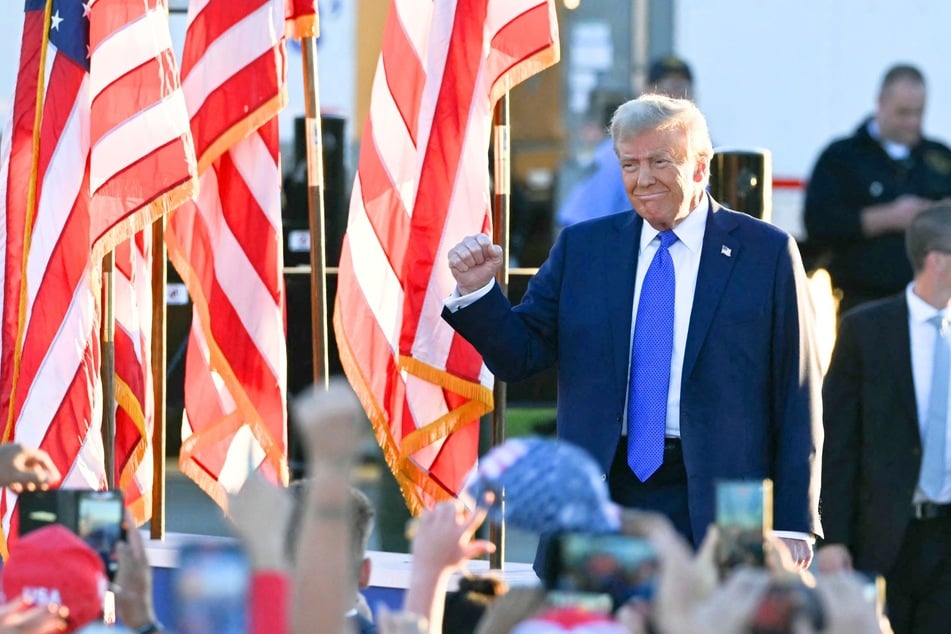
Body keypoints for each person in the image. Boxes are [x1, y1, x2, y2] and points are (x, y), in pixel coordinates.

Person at [442, 94, 823, 571]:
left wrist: (792, 523)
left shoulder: (764, 253)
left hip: (722, 502)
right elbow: (520, 356)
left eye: (660, 162)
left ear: (700, 166)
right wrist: (479, 293)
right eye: (629, 164)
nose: (642, 180)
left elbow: (798, 393)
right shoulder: (584, 248)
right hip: (601, 493)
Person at [817, 202, 951, 634]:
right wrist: (833, 537)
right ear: (938, 261)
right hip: (883, 538)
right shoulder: (866, 331)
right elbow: (837, 442)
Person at [803, 63, 951, 314]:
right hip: (862, 301)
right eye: (903, 113)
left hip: (931, 303)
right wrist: (888, 217)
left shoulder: (939, 158)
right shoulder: (842, 157)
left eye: (919, 113)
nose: (912, 122)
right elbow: (818, 223)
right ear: (881, 103)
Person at [556, 56, 696, 231]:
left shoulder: (704, 151)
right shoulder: (617, 154)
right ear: (647, 94)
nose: (676, 97)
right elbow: (579, 222)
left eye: (683, 89)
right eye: (667, 89)